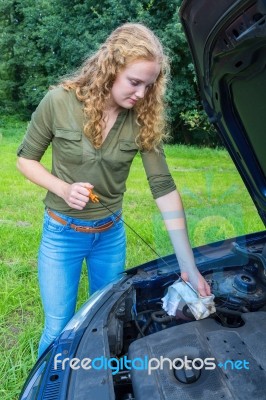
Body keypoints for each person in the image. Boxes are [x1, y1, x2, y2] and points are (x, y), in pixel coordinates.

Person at [17, 23, 211, 358]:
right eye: (134, 82)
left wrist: (188, 266)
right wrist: (63, 188)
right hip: (62, 233)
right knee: (59, 326)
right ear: (110, 69)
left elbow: (163, 188)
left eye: (148, 86)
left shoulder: (142, 119)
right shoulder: (58, 102)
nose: (141, 94)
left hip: (110, 236)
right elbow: (25, 160)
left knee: (107, 321)